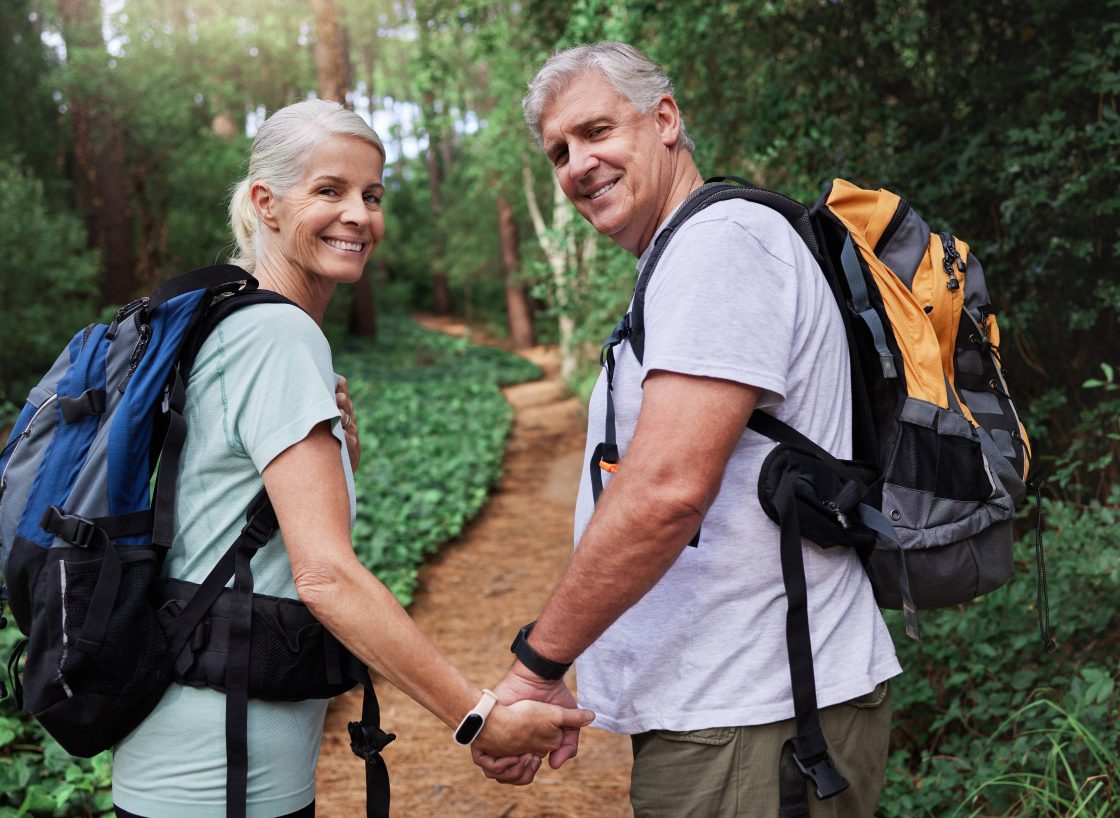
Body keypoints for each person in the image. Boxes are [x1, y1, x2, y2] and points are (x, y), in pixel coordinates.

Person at [110, 99, 593, 818]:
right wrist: (478, 715)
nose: (359, 215)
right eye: (329, 191)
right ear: (267, 205)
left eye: (372, 195)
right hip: (223, 768)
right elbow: (325, 576)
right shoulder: (277, 336)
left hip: (192, 743)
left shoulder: (225, 320)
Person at [473, 43, 901, 817]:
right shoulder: (689, 253)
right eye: (558, 152)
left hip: (758, 717)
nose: (577, 165)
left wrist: (538, 664)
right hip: (735, 711)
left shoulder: (717, 248)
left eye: (596, 130)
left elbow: (665, 491)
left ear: (665, 119)